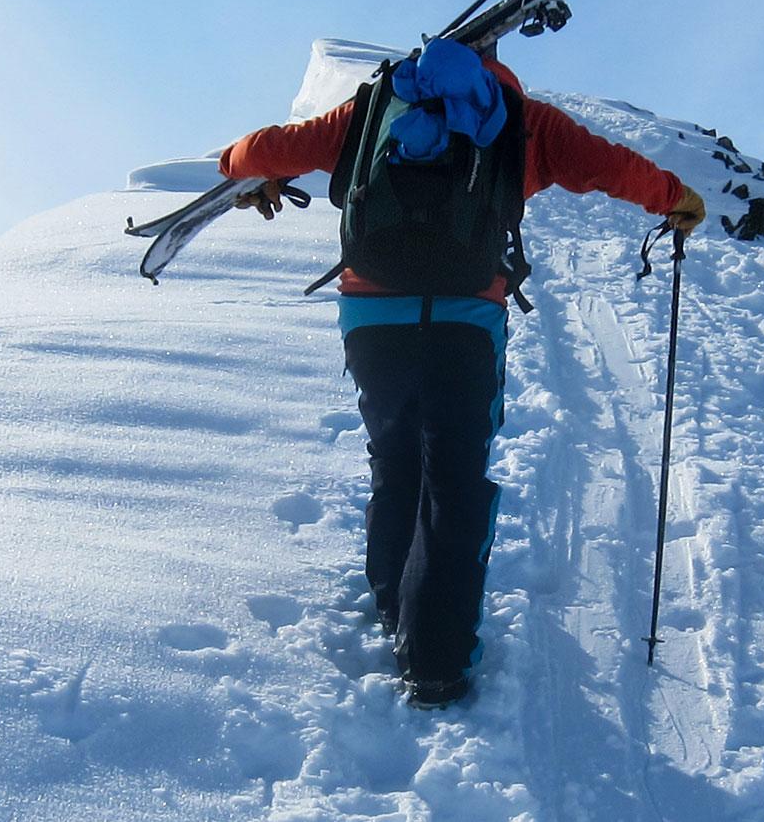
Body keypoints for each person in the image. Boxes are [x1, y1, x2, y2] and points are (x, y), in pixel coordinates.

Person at [222, 41, 706, 708]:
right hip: (464, 318)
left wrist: (241, 167)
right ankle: (436, 662)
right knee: (452, 473)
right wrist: (674, 196)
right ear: (496, 60)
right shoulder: (521, 116)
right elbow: (608, 167)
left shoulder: (374, 108)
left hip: (372, 314)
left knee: (395, 459)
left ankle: (396, 611)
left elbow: (262, 150)